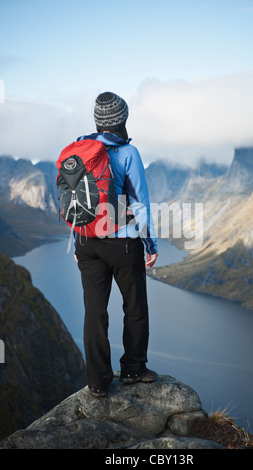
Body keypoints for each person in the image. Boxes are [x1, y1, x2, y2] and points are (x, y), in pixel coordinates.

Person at [74, 92, 159, 397]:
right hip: (122, 242)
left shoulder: (79, 150)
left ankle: (97, 382)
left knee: (94, 312)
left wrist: (76, 242)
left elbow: (78, 201)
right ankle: (133, 369)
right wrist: (150, 244)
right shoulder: (128, 153)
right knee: (134, 307)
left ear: (97, 120)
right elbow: (140, 204)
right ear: (122, 119)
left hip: (86, 242)